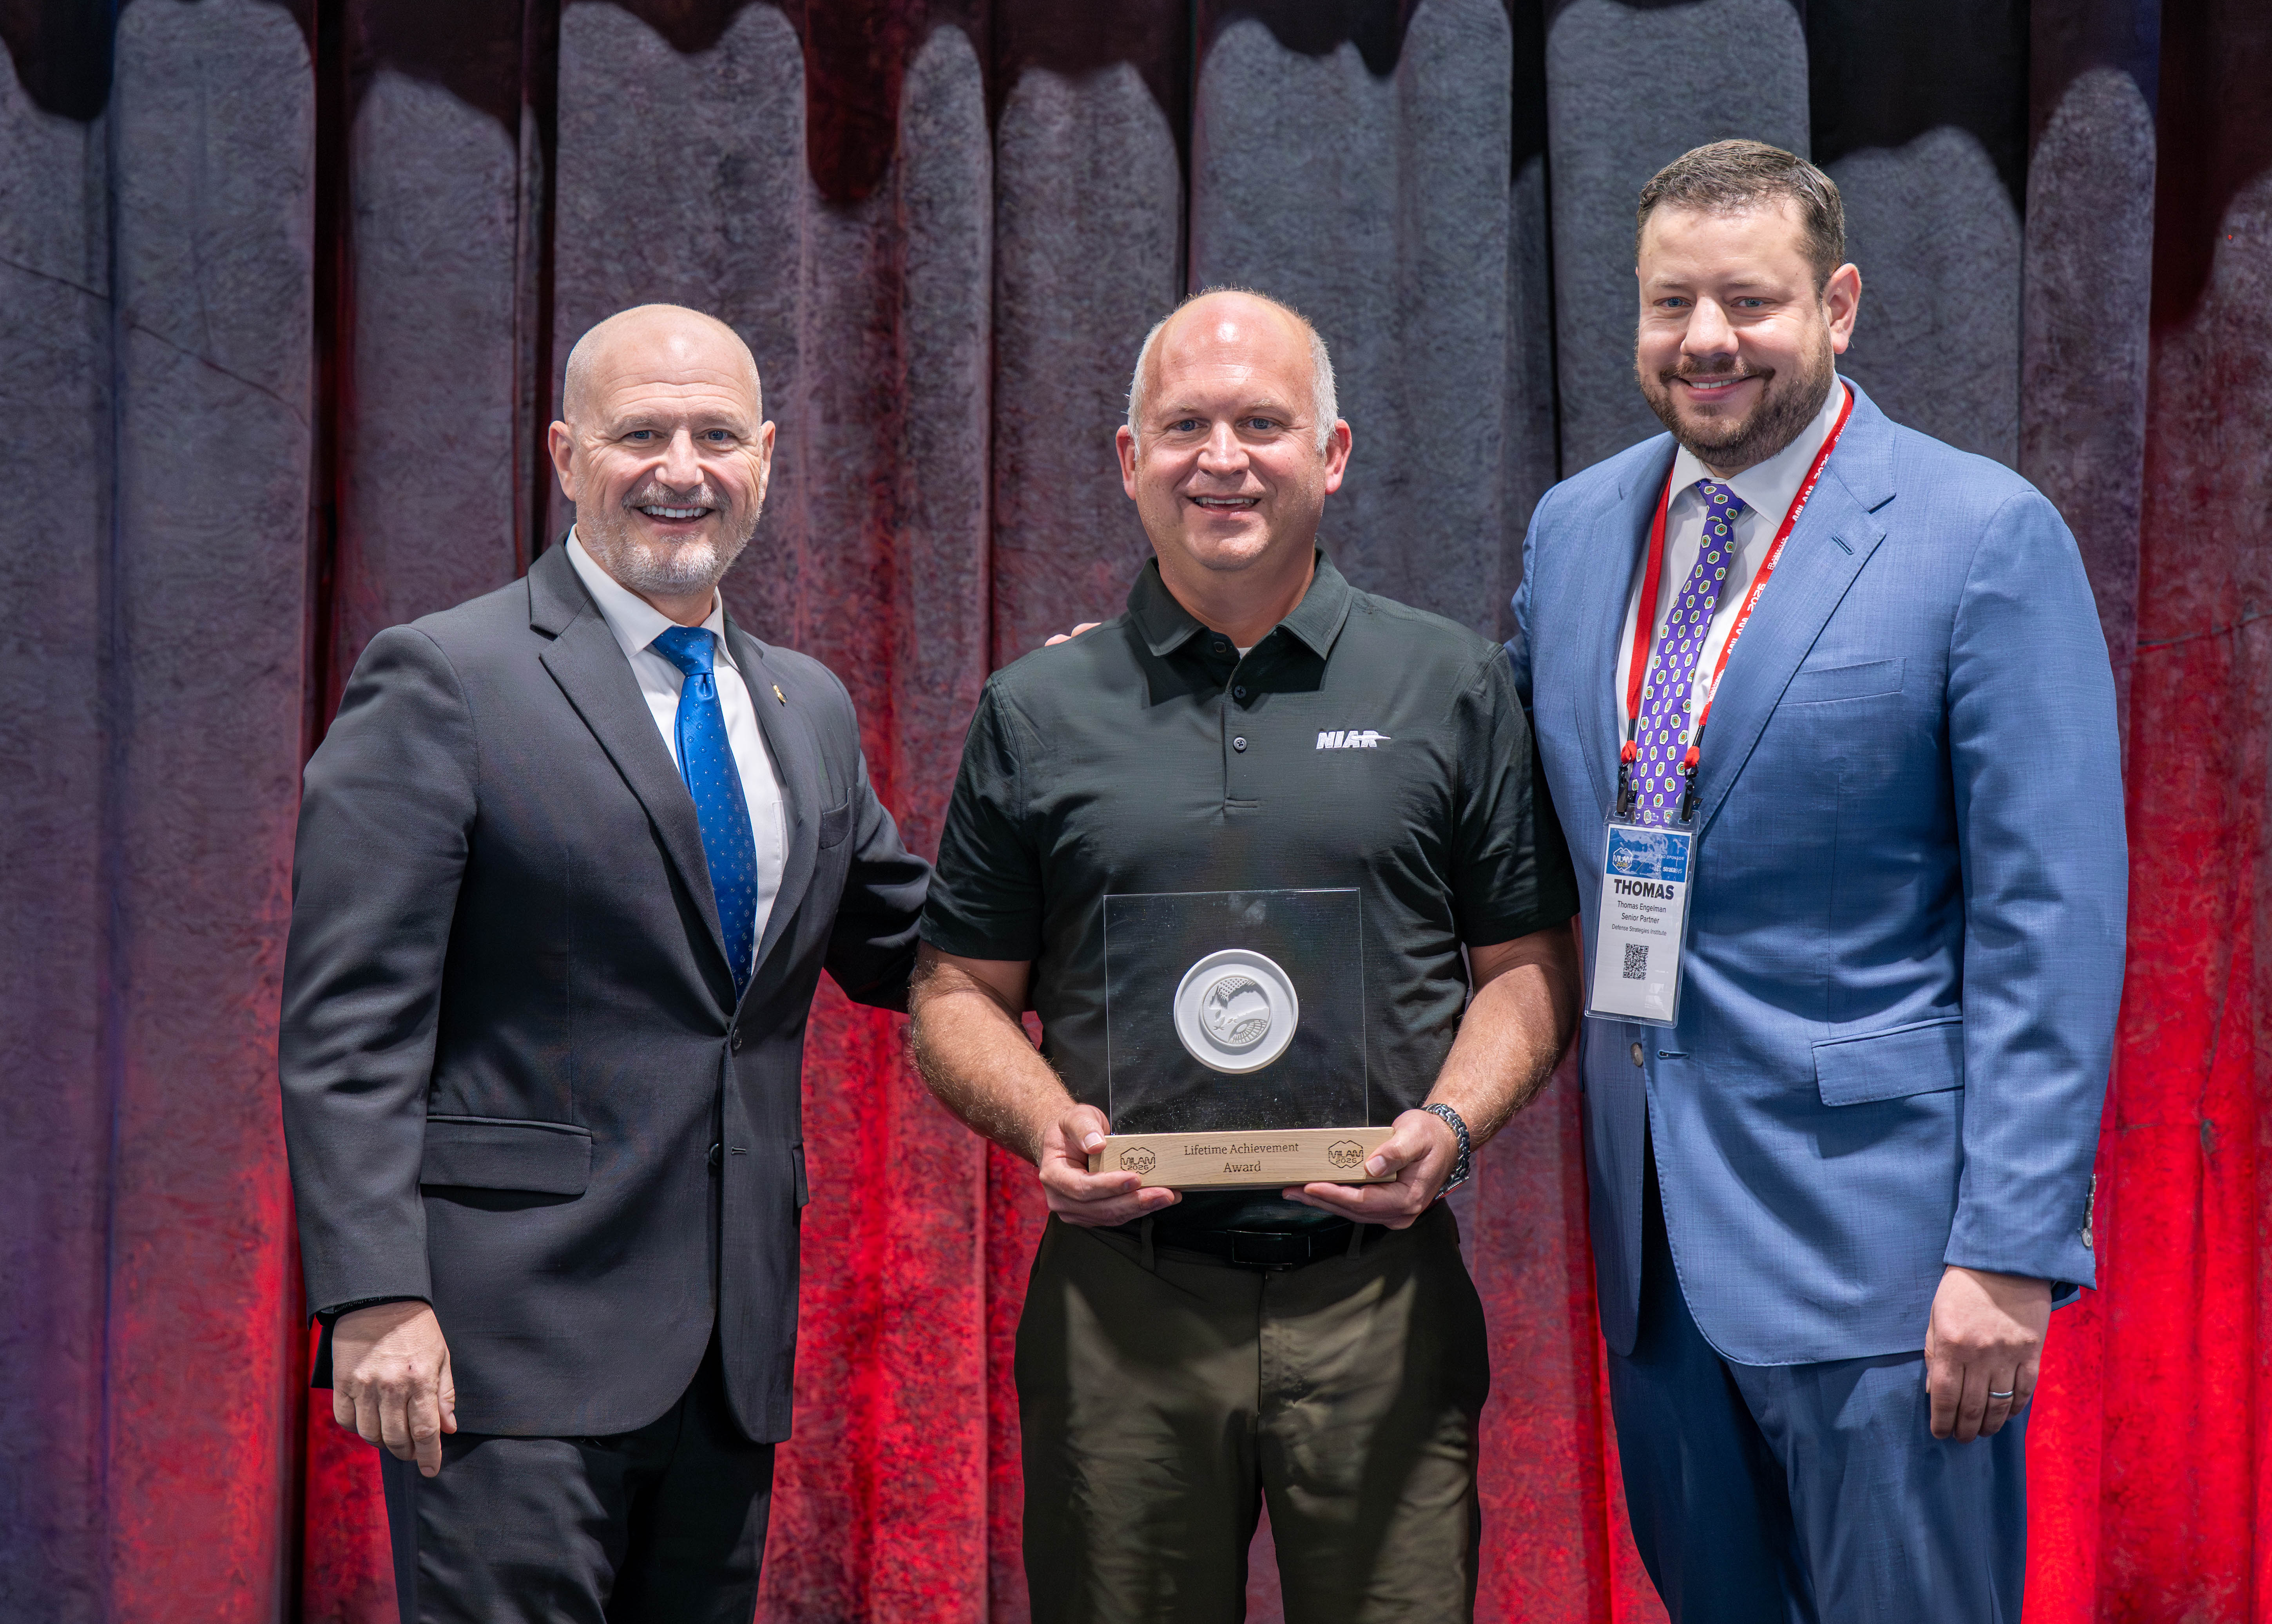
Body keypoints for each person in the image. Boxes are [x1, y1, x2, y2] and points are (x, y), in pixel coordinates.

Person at [1507, 142, 2126, 1620]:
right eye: (1671, 304)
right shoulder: (1577, 528)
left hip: (1892, 1262)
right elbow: (1489, 792)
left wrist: (2011, 1252)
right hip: (1655, 1250)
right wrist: (1206, 683)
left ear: (1837, 305)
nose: (1705, 341)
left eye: (1749, 301)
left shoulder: (1981, 535)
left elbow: (2055, 920)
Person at [908, 288, 1582, 1622]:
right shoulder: (1036, 709)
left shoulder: (1447, 686)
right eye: (1186, 426)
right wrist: (1047, 1124)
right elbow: (952, 992)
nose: (1222, 457)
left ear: (1330, 455)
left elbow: (1529, 965)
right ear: (1127, 460)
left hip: (1380, 1300)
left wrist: (1450, 1125)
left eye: (1262, 424)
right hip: (1123, 1310)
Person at [279, 303, 929, 1622]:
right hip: (498, 1352)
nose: (679, 467)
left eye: (715, 435)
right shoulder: (444, 678)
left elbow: (913, 944)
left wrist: (1061, 772)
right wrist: (373, 1292)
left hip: (727, 1362)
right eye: (640, 433)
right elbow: (350, 1024)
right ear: (567, 454)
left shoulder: (806, 706)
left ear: (766, 457)